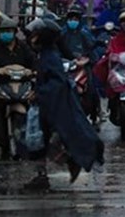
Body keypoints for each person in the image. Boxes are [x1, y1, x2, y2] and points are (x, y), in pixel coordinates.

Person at [23, 18, 104, 191]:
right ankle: (46, 173)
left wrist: (39, 92)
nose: (31, 39)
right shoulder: (44, 54)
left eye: (35, 36)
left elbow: (56, 82)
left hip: (53, 105)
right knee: (39, 141)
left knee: (40, 141)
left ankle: (62, 165)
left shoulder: (50, 57)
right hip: (48, 104)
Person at [0, 17, 38, 151]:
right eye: (4, 31)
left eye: (9, 31)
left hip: (21, 85)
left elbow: (33, 61)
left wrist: (33, 71)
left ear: (15, 32)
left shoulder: (24, 47)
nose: (6, 34)